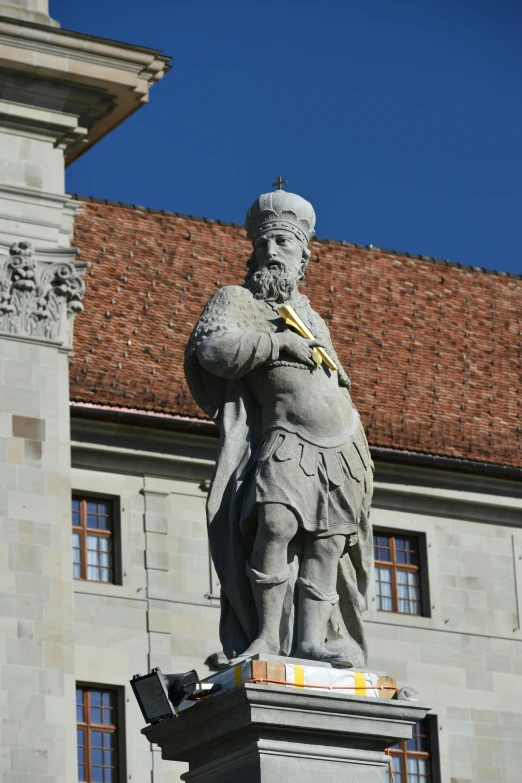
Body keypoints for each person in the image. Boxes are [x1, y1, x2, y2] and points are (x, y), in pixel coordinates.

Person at [184, 189, 374, 666]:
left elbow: (333, 378)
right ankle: (267, 638)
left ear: (303, 259)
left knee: (327, 543)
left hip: (344, 444)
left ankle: (310, 639)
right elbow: (212, 348)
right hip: (285, 438)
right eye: (264, 243)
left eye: (284, 244)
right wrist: (277, 344)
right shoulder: (237, 300)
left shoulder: (313, 316)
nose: (271, 252)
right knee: (274, 524)